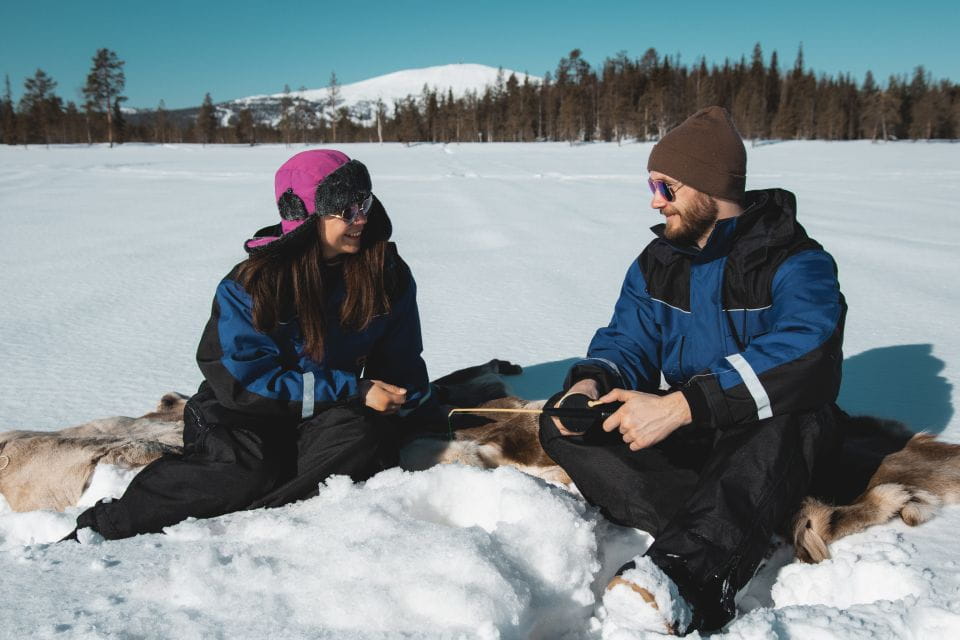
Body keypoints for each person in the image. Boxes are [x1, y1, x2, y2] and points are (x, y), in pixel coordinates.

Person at [539, 107, 846, 634]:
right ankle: (737, 525)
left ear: (710, 188)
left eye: (666, 186)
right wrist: (593, 384)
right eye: (652, 185)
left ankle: (682, 579)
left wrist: (682, 406)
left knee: (785, 424)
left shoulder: (796, 261)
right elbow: (628, 339)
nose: (655, 199)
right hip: (692, 430)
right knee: (563, 422)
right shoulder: (659, 261)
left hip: (772, 433)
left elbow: (808, 350)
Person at [69, 149, 434, 540]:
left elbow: (400, 360)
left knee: (367, 436)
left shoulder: (385, 273)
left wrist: (403, 397)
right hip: (239, 412)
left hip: (325, 411)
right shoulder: (253, 284)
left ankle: (248, 511)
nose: (360, 217)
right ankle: (107, 525)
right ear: (306, 215)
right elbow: (243, 382)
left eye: (363, 202)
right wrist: (352, 389)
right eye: (344, 209)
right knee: (248, 467)